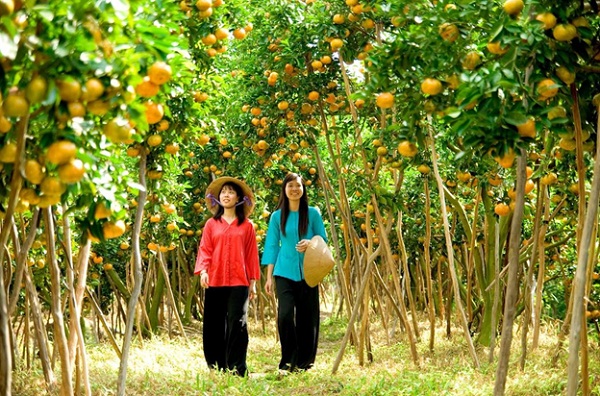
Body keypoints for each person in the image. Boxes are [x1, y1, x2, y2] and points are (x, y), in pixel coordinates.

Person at [261, 172, 328, 372]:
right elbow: (272, 245)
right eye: (290, 186)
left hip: (310, 270)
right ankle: (288, 360)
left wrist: (311, 242)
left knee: (308, 317)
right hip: (284, 271)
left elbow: (322, 238)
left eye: (298, 186)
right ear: (284, 190)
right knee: (285, 314)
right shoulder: (276, 216)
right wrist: (269, 276)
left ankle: (305, 362)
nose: (294, 189)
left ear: (303, 189)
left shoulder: (313, 213)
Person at [194, 176, 260, 377]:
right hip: (215, 279)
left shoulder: (247, 225)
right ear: (218, 198)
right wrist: (203, 271)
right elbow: (205, 249)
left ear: (239, 198)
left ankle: (237, 367)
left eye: (231, 192)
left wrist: (253, 282)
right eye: (223, 192)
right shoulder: (211, 224)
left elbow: (251, 254)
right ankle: (217, 365)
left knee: (238, 323)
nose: (226, 195)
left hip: (239, 281)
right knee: (214, 323)